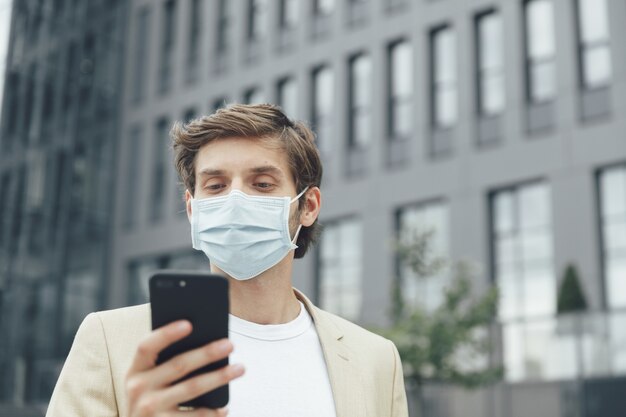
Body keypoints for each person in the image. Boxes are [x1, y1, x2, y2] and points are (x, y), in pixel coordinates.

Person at [46, 104, 408, 417]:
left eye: (262, 184)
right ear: (193, 209)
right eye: (216, 186)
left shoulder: (376, 359)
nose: (235, 199)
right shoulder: (110, 342)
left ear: (308, 206)